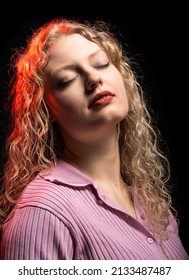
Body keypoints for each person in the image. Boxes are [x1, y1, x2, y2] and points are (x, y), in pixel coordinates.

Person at [0, 17, 188, 260]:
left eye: (101, 64)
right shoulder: (43, 212)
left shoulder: (153, 206)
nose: (93, 79)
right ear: (45, 111)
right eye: (66, 79)